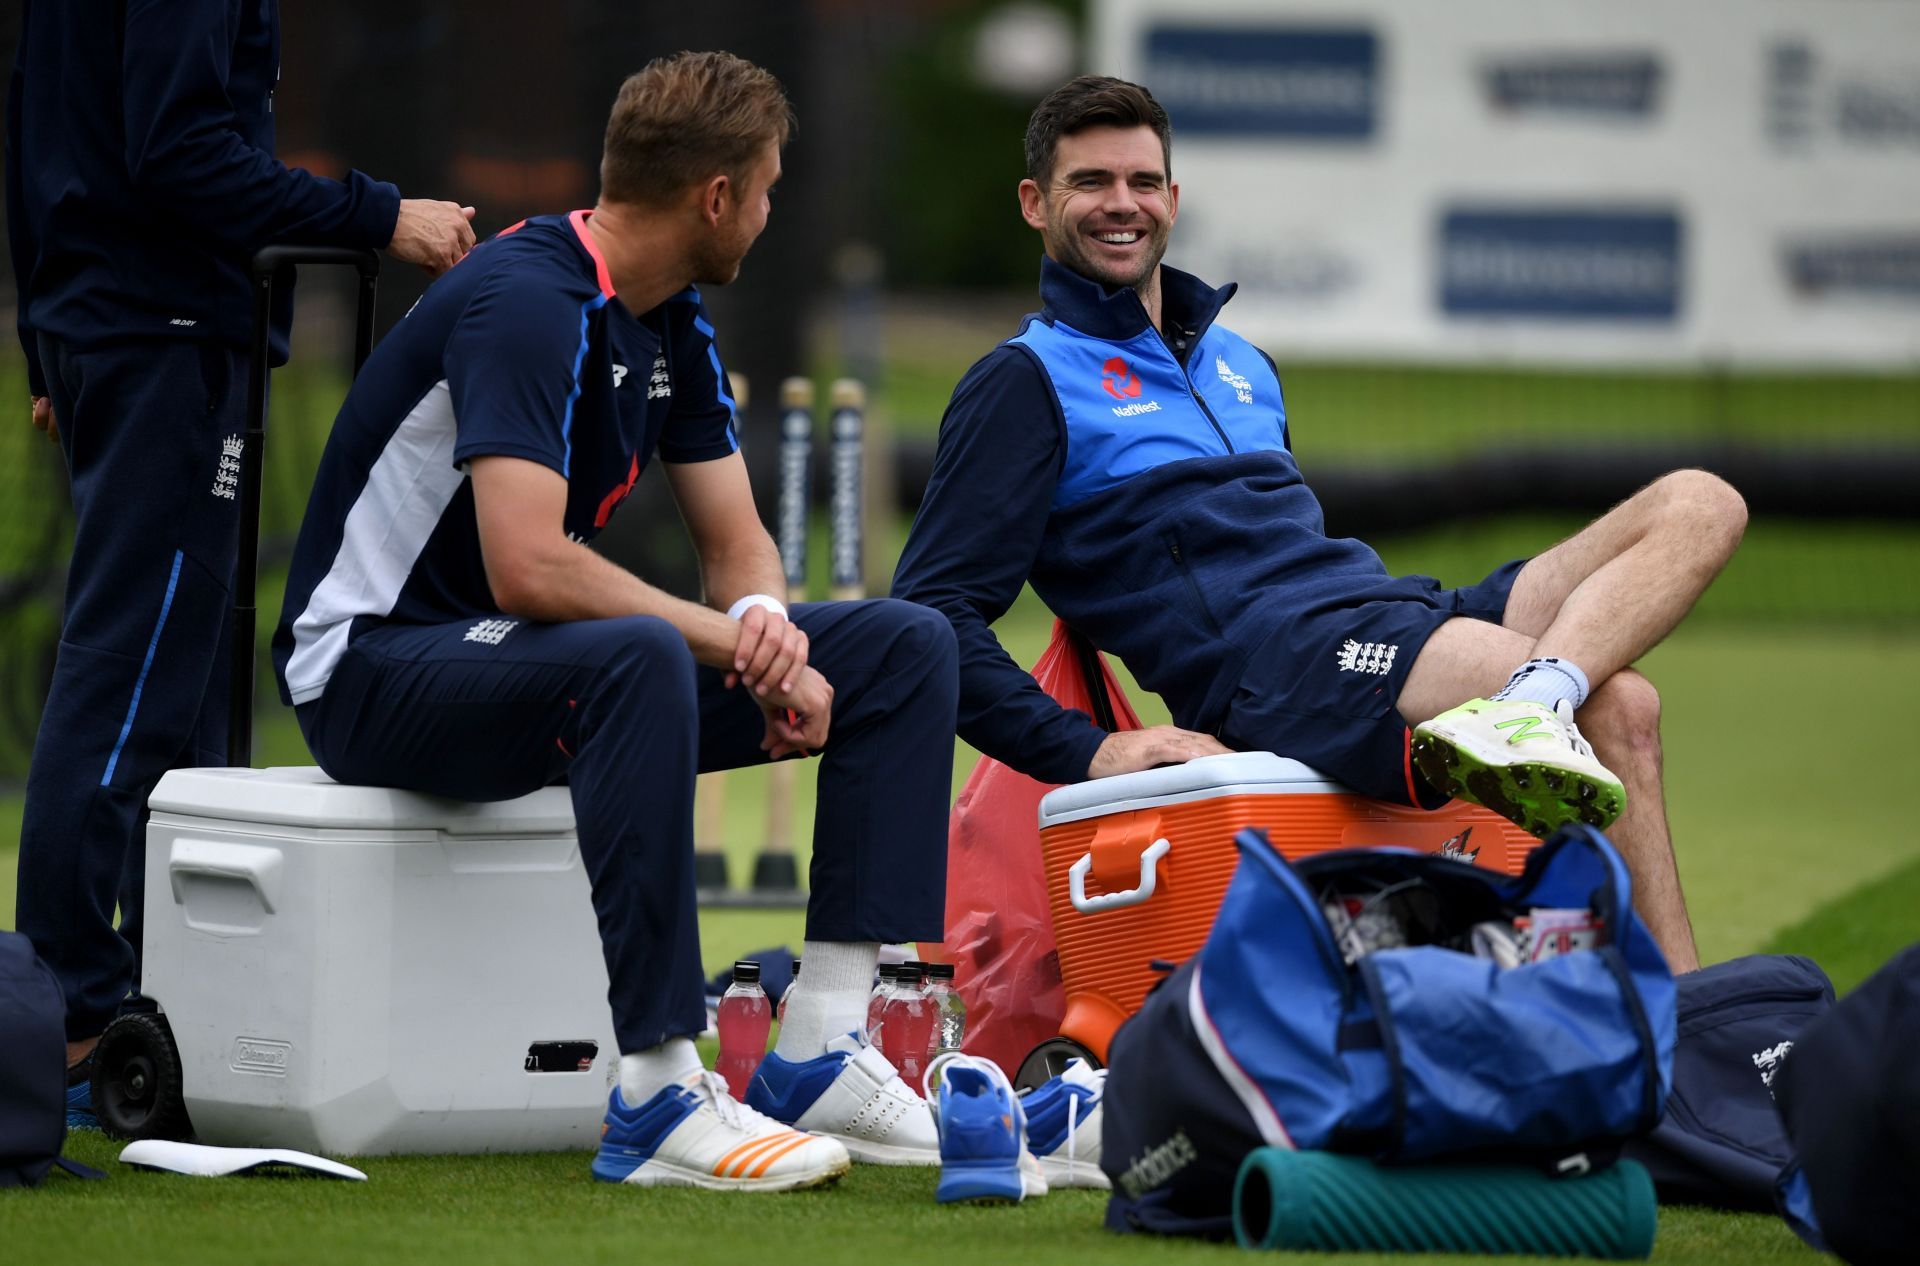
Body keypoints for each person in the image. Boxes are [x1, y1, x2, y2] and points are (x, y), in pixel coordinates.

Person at [272, 51, 958, 1191]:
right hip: (368, 672)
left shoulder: (669, 317)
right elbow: (528, 567)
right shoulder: (529, 301)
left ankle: (824, 1047)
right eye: (771, 188)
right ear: (717, 197)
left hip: (518, 666)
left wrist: (767, 625)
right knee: (636, 651)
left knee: (901, 644)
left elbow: (737, 543)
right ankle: (654, 1088)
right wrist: (731, 640)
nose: (771, 213)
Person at [893, 76, 1749, 973]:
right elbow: (933, 612)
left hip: (1379, 617)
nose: (1123, 204)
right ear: (1036, 204)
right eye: (1090, 182)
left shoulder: (1242, 363)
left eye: (1143, 182)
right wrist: (1090, 749)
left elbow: (1295, 555)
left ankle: (1536, 699)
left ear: (1173, 200)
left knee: (1700, 501)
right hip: (1280, 670)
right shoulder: (1022, 382)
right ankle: (1689, 1043)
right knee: (1621, 705)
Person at [7, 0, 478, 1124]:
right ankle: (69, 1014)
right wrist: (377, 216)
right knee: (132, 674)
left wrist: (46, 332)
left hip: (104, 325)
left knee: (169, 692)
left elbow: (35, 123)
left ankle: (147, 995)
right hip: (161, 332)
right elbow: (179, 155)